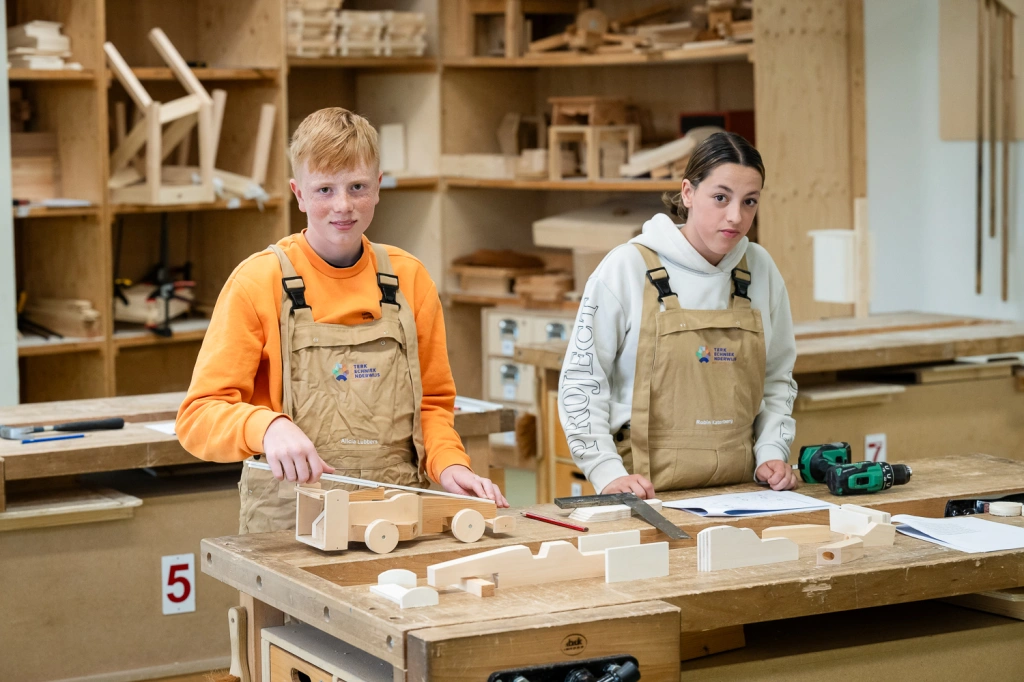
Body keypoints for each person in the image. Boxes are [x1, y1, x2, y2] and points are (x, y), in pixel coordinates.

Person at [177, 107, 507, 533]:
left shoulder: (409, 279)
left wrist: (448, 465)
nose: (343, 206)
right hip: (291, 521)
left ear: (379, 186)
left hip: (396, 512)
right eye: (324, 190)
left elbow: (432, 406)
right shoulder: (259, 282)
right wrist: (267, 426)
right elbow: (198, 417)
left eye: (357, 187)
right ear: (298, 194)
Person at [558, 132, 799, 499]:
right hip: (643, 491)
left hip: (743, 492)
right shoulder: (627, 267)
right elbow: (581, 380)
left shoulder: (760, 269)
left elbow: (778, 379)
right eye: (720, 197)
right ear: (687, 193)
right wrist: (604, 472)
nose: (736, 216)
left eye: (749, 202)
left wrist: (771, 452)